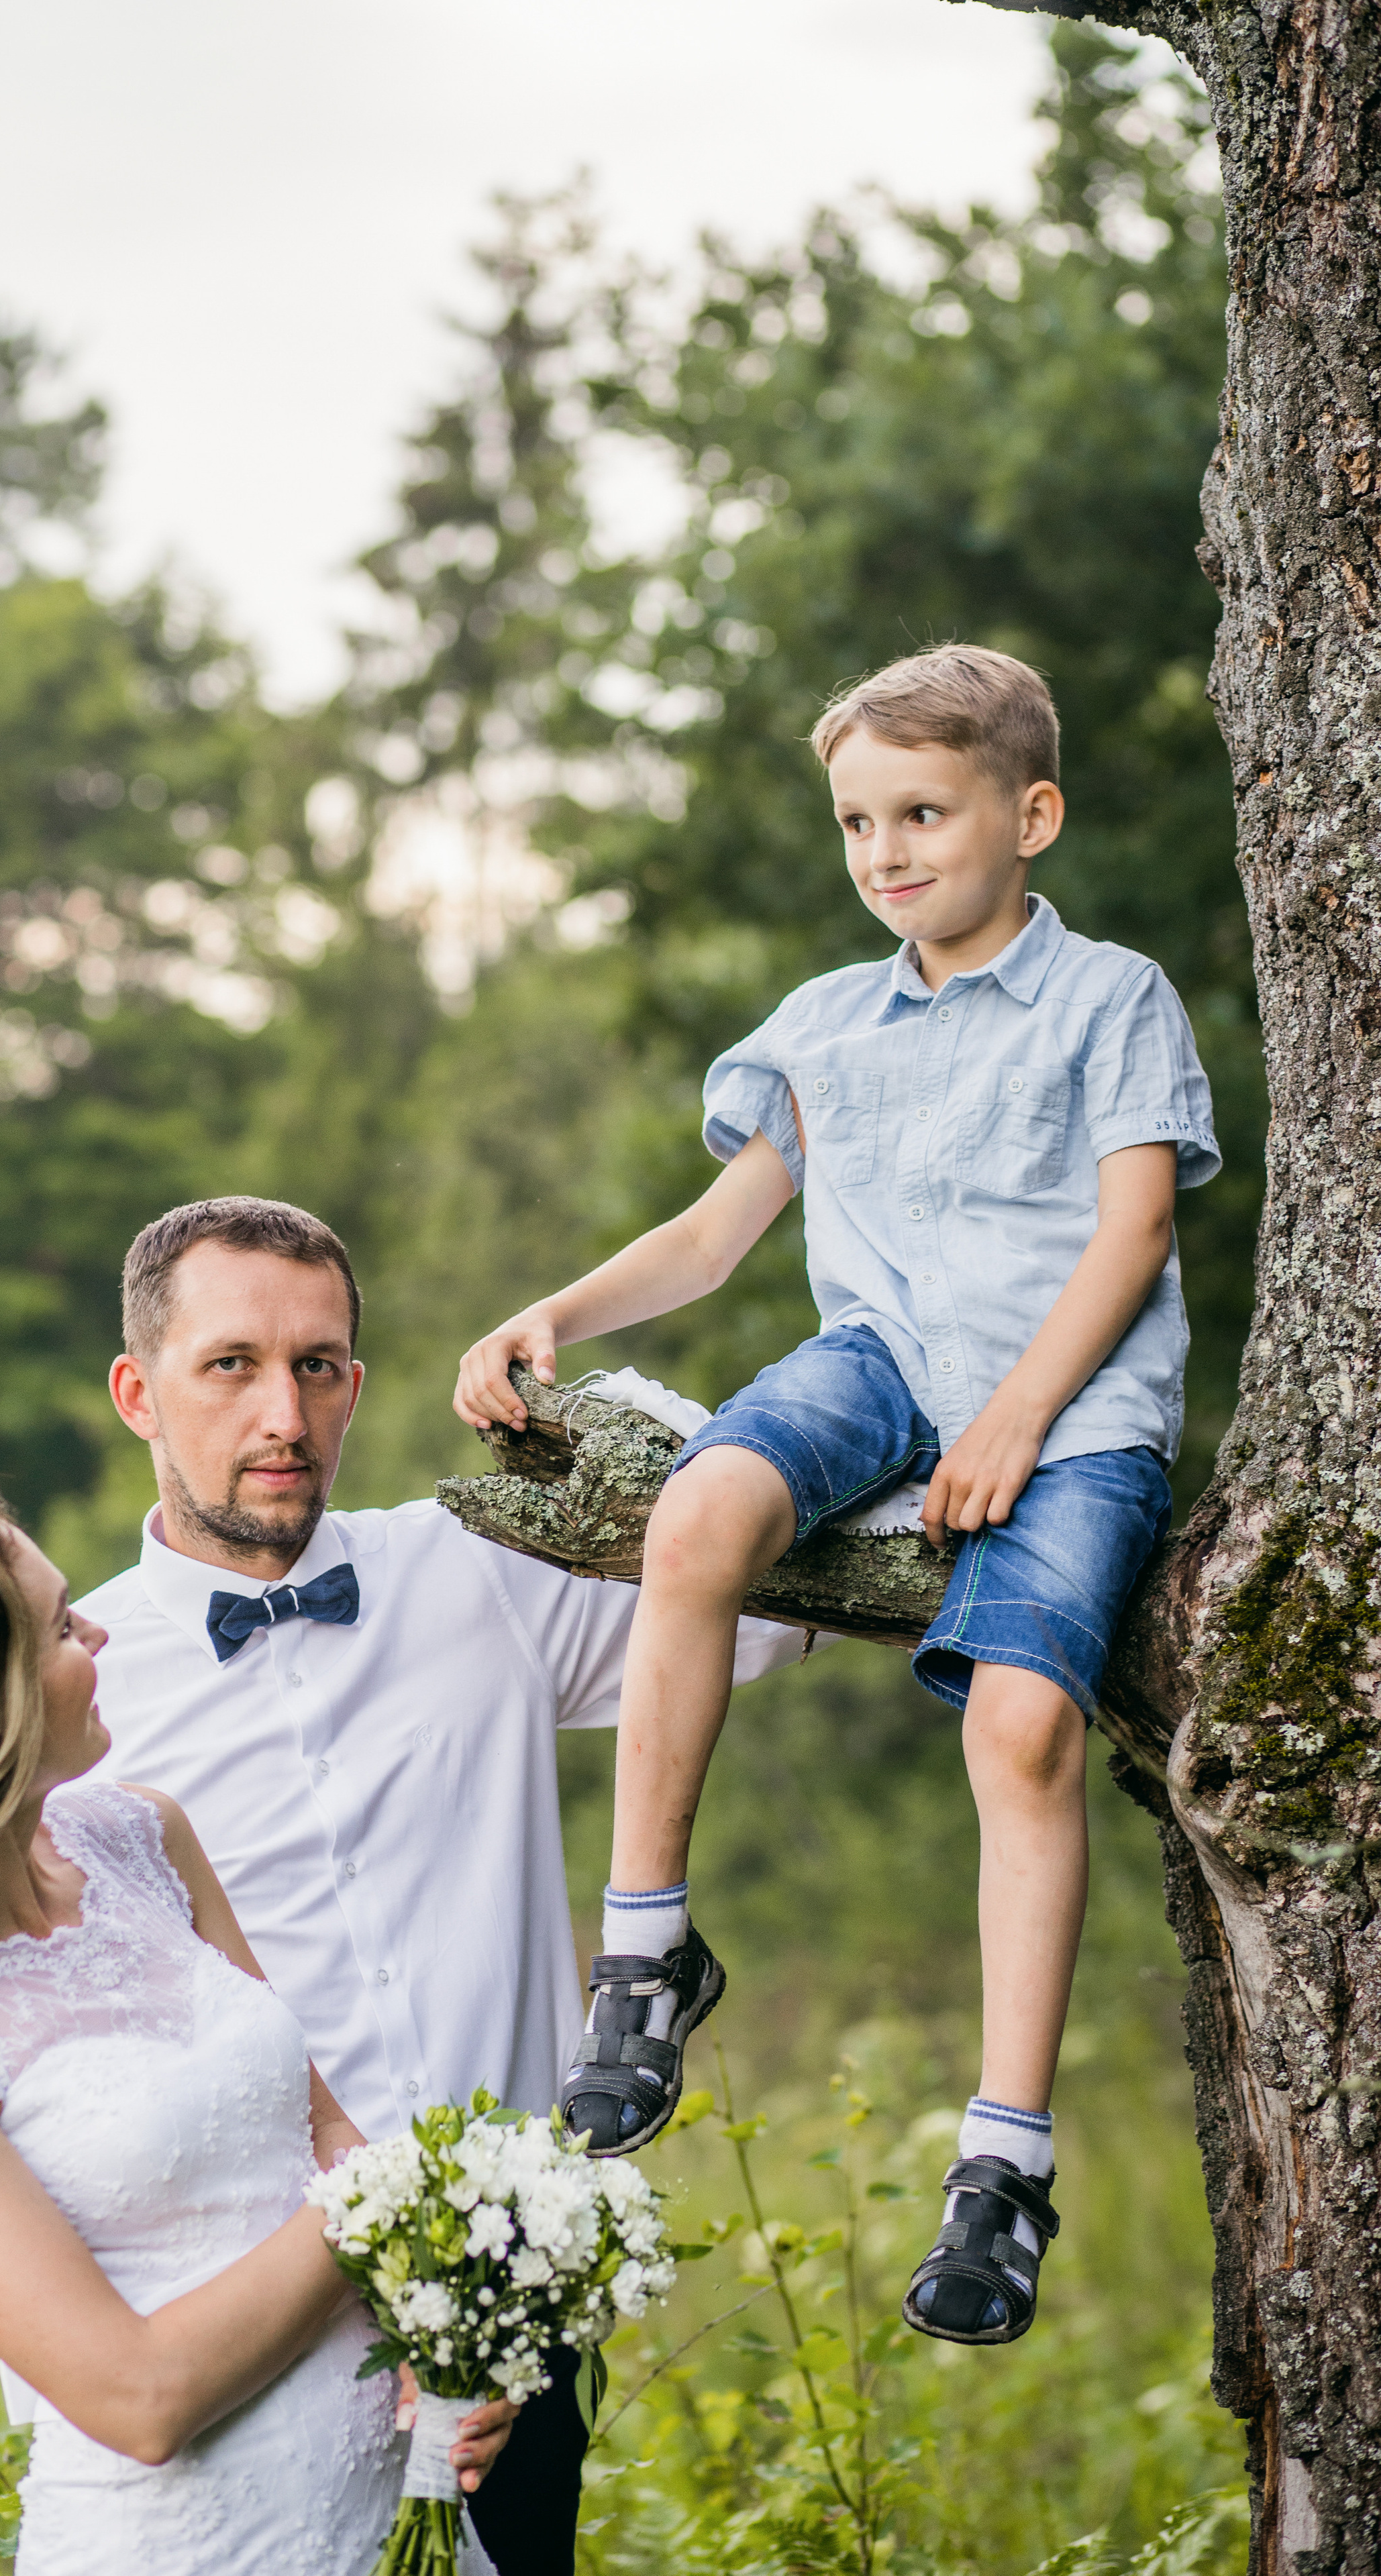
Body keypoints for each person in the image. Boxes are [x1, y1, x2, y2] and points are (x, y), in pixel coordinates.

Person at [454, 644, 1221, 2347]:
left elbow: (1134, 1233)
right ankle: (645, 1952)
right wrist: (556, 1315)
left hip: (1071, 1403)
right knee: (696, 1517)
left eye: (923, 813)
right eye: (859, 823)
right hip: (878, 1361)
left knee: (1016, 1724)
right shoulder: (824, 1023)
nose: (885, 852)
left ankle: (1003, 2161)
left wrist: (1022, 1418)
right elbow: (718, 1233)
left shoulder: (1113, 999)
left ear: (1029, 814)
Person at [77, 1194, 805, 2571]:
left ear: (357, 1383)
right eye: (228, 1366)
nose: (282, 1417)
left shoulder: (486, 1569)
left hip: (515, 2330)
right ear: (138, 1393)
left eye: (318, 1366)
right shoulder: (74, 1686)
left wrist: (590, 1397)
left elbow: (766, 1600)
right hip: (246, 2337)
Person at [0, 1467, 513, 2575]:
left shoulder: (143, 1839)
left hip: (400, 2506)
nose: (98, 1633)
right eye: (56, 1627)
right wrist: (388, 2206)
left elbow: (325, 2127)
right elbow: (141, 2396)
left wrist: (439, 2328)